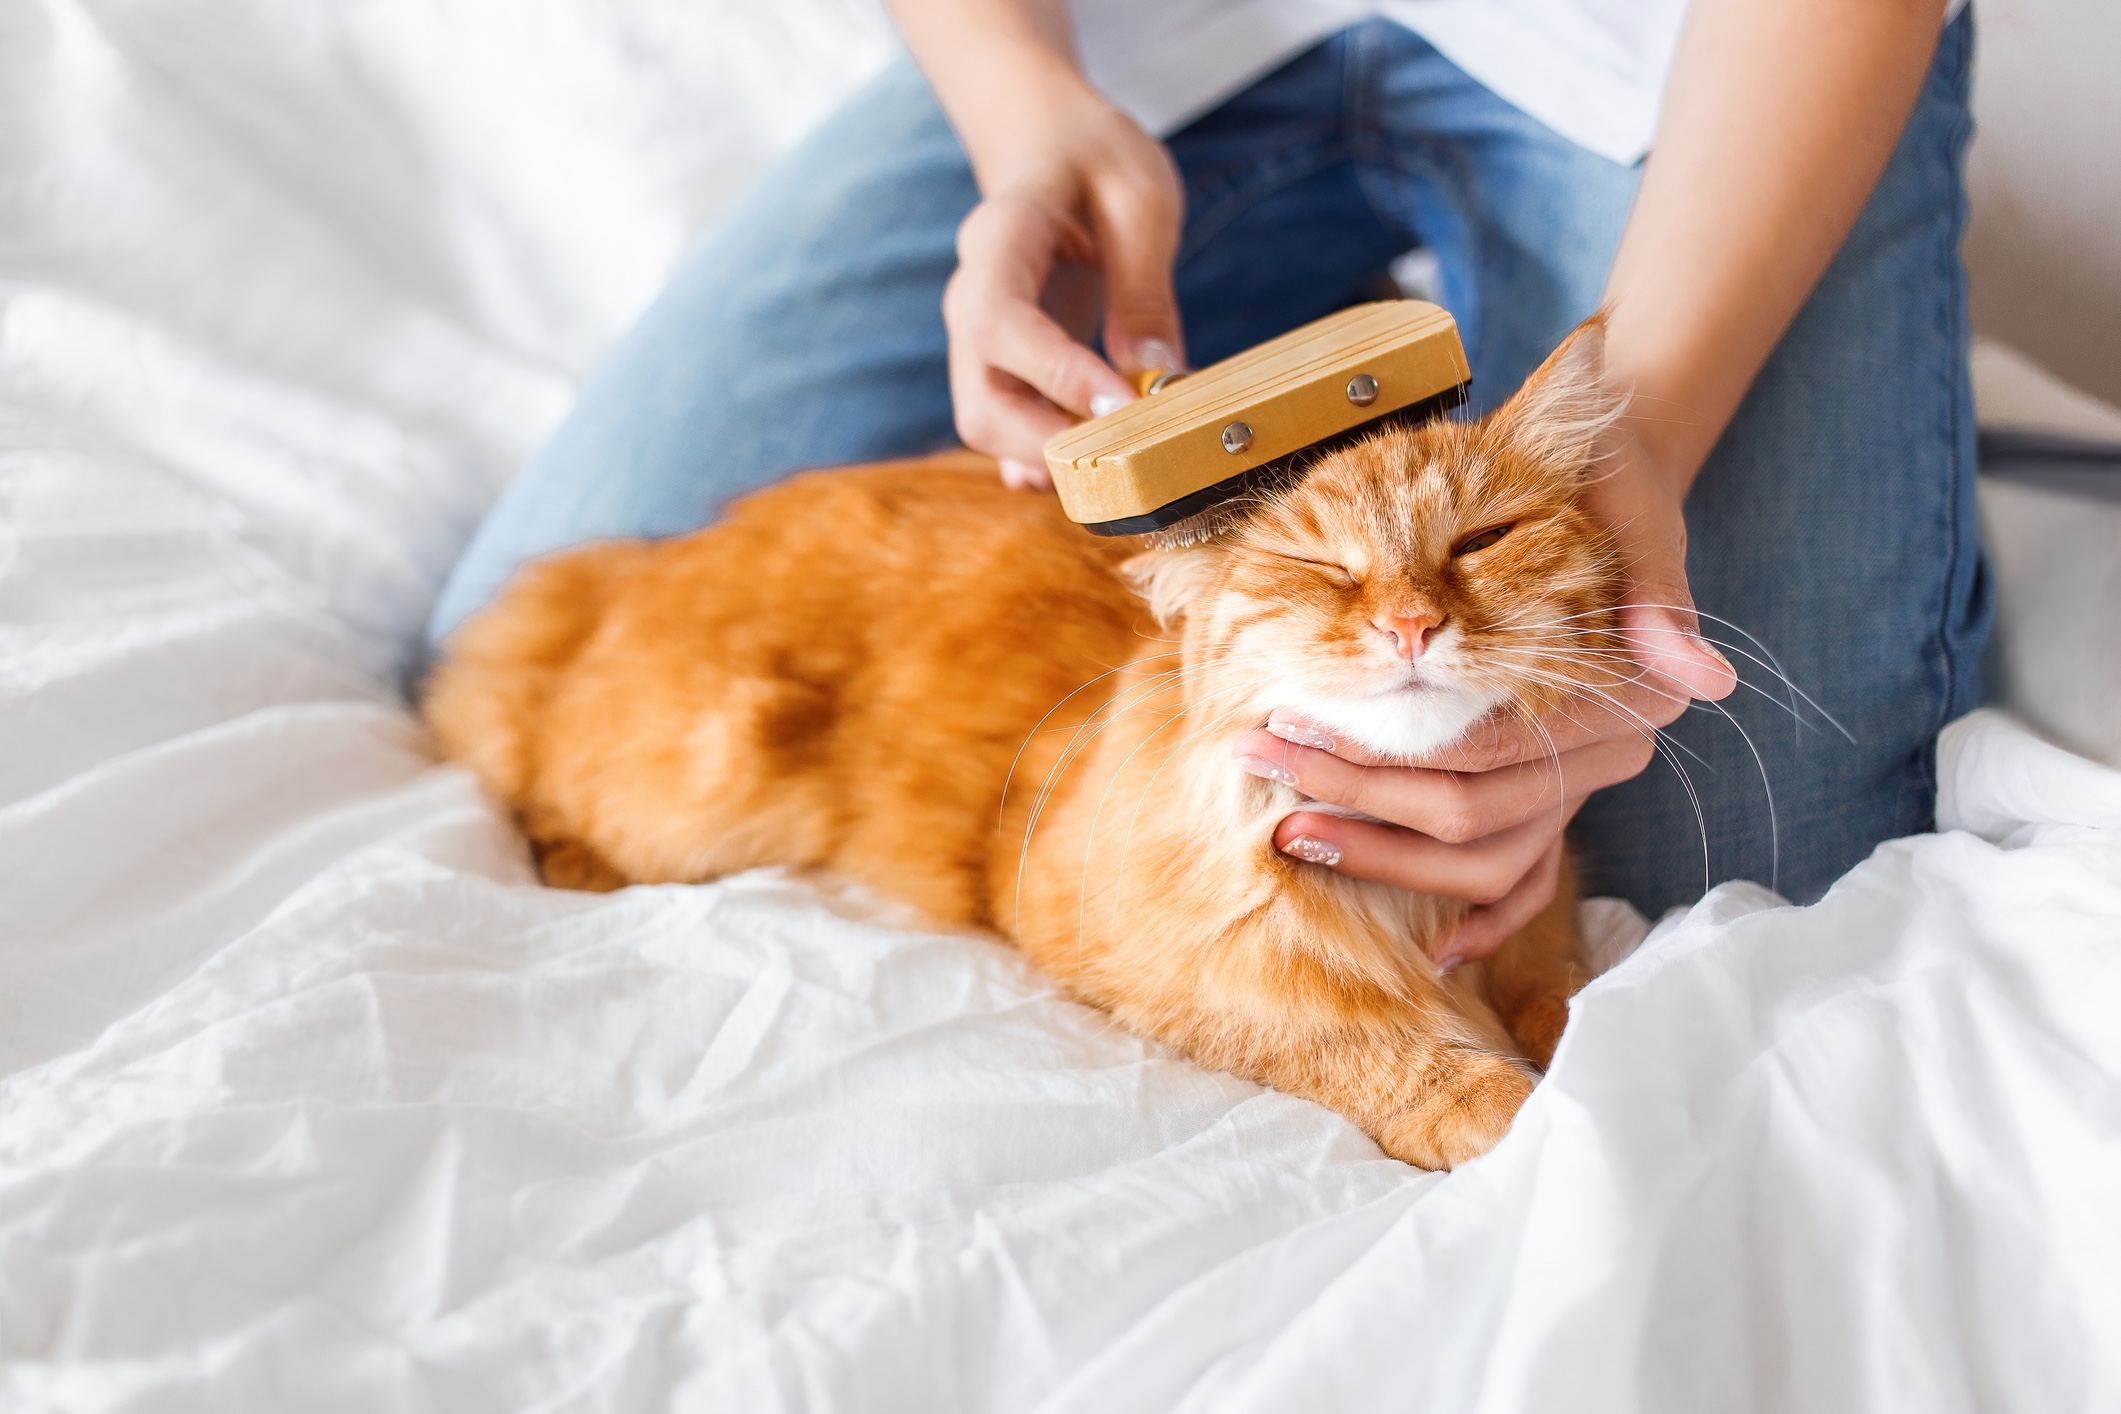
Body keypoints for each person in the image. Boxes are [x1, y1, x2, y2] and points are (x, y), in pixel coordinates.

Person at [425, 0, 1990, 962]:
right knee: (537, 645)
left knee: (1730, 862)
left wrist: (1634, 428)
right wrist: (1020, 107)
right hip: (1144, 45)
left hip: (1688, 53)